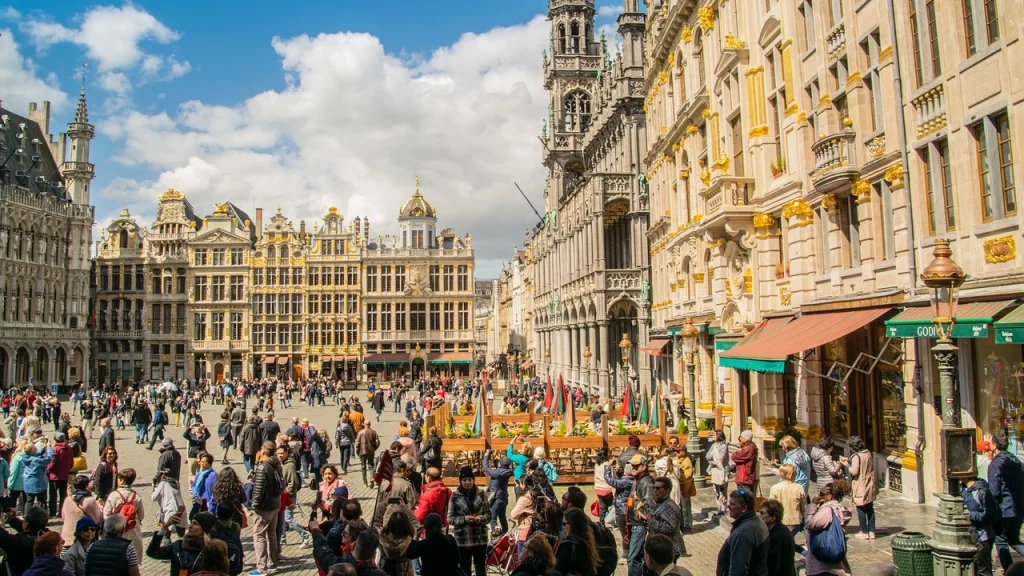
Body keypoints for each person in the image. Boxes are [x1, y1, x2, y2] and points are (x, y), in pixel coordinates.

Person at [986, 431, 1024, 571]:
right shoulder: (1015, 460)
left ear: (995, 445)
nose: (988, 445)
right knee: (1013, 539)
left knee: (1001, 541)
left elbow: (994, 492)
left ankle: (1009, 570)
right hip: (1019, 508)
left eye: (990, 442)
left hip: (1005, 511)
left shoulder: (996, 465)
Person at [715, 489, 769, 576]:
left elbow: (738, 569)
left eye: (733, 504)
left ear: (744, 508)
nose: (728, 506)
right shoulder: (757, 521)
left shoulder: (743, 534)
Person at [804, 480, 852, 576]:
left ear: (829, 496)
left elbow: (809, 524)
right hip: (835, 564)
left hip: (823, 567)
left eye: (821, 494)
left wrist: (812, 505)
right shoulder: (838, 508)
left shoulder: (827, 510)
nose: (818, 496)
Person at [448, 465, 490, 576]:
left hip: (480, 538)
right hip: (463, 539)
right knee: (464, 570)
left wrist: (480, 519)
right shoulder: (454, 496)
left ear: (473, 480)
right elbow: (450, 519)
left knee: (481, 569)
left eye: (470, 480)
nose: (467, 482)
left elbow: (489, 515)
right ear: (460, 481)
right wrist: (464, 519)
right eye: (465, 480)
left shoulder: (481, 494)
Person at [146, 511, 216, 576]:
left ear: (205, 529)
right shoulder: (178, 546)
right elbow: (152, 552)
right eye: (191, 522)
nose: (190, 526)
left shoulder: (210, 550)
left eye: (195, 524)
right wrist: (165, 527)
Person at [251, 441, 283, 575]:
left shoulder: (263, 468)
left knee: (259, 535)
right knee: (271, 534)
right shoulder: (277, 465)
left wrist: (254, 505)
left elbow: (258, 489)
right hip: (275, 504)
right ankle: (272, 563)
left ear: (263, 452)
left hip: (264, 507)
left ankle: (261, 567)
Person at [102, 468, 146, 559]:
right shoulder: (136, 496)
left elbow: (106, 514)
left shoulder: (114, 495)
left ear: (121, 480)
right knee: (132, 556)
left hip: (116, 529)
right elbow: (141, 515)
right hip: (132, 528)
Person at [0, 505, 51, 576]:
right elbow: (31, 527)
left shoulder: (18, 543)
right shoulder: (47, 537)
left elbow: (2, 536)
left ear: (26, 524)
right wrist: (13, 520)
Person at [963, 475, 999, 576]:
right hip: (967, 537)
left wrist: (969, 515)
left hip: (982, 537)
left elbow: (990, 515)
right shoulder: (961, 490)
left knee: (983, 570)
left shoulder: (982, 491)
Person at [277, 445, 311, 547]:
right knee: (282, 519)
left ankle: (305, 536)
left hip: (288, 496)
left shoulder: (289, 465)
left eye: (282, 453)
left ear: (287, 453)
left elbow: (293, 482)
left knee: (288, 519)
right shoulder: (281, 464)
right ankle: (282, 539)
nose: (280, 455)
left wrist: (287, 493)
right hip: (282, 496)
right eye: (278, 453)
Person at [847, 435, 877, 539]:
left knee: (861, 508)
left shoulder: (856, 456)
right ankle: (872, 531)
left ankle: (864, 532)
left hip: (861, 484)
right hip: (869, 483)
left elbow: (855, 471)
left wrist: (847, 466)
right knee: (870, 508)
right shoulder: (868, 453)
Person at [648, 475, 685, 559]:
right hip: (661, 547)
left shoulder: (669, 506)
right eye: (654, 488)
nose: (655, 491)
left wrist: (651, 523)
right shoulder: (660, 503)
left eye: (658, 488)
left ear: (667, 490)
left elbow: (669, 528)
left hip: (669, 549)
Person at [555, 507, 600, 576]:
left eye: (564, 523)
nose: (563, 527)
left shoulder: (568, 546)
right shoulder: (587, 540)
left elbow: (557, 570)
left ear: (572, 525)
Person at [758, 499, 796, 576]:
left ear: (772, 518)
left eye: (762, 513)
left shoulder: (779, 535)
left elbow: (773, 564)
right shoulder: (775, 531)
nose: (759, 516)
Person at [768, 464, 806, 539]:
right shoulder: (799, 488)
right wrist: (803, 518)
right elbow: (803, 507)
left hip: (780, 521)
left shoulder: (775, 488)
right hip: (795, 521)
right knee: (788, 541)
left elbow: (771, 506)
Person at [482, 450, 513, 537]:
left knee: (492, 518)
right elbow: (500, 468)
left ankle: (495, 535)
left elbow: (485, 467)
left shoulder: (497, 473)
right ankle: (506, 534)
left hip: (496, 498)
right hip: (504, 497)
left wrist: (486, 456)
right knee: (502, 517)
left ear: (500, 464)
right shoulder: (507, 471)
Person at [379, 505, 416, 576]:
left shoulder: (381, 539)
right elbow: (415, 524)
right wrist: (405, 507)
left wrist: (382, 505)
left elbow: (375, 522)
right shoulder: (409, 540)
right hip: (404, 572)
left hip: (384, 571)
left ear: (390, 523)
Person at [152, 467, 188, 537]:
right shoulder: (176, 483)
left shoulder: (163, 483)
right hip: (181, 510)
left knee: (166, 535)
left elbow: (154, 498)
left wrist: (154, 486)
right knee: (181, 535)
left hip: (170, 511)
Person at [47, 432, 74, 517]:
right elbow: (71, 462)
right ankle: (62, 512)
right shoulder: (69, 448)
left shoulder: (56, 449)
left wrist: (48, 469)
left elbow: (53, 462)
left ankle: (52, 512)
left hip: (54, 475)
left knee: (53, 495)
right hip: (64, 474)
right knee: (63, 494)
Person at [707, 430, 730, 515]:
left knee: (723, 489)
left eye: (714, 435)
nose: (713, 436)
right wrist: (712, 459)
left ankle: (723, 508)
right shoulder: (714, 445)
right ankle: (719, 506)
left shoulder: (724, 446)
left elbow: (720, 458)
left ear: (718, 436)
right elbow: (708, 456)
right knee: (716, 489)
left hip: (723, 470)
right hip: (714, 470)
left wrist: (712, 459)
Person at [190, 452, 218, 519]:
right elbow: (194, 486)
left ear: (209, 463)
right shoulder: (199, 474)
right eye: (200, 461)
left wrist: (211, 506)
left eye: (203, 462)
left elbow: (215, 492)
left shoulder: (213, 475)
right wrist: (195, 495)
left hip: (208, 505)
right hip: (199, 503)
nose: (201, 463)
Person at [356, 421, 380, 488]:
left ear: (364, 424)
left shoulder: (360, 432)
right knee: (371, 466)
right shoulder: (373, 432)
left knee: (363, 467)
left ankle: (365, 483)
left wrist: (357, 451)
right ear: (370, 424)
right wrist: (374, 448)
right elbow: (377, 442)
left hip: (362, 451)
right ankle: (372, 478)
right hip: (371, 451)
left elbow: (357, 443)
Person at [593, 448, 614, 525]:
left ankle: (602, 523)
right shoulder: (608, 465)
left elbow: (595, 476)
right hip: (607, 488)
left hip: (598, 488)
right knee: (610, 506)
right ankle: (612, 521)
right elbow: (611, 478)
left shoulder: (596, 465)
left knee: (602, 507)